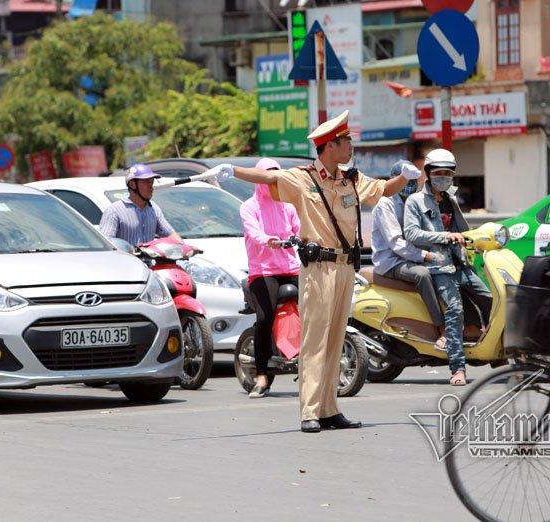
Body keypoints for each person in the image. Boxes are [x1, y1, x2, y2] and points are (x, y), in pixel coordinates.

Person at [207, 110, 422, 433]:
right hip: (318, 267)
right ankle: (309, 410)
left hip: (346, 267)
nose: (351, 146)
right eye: (346, 141)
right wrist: (233, 171)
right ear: (330, 145)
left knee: (336, 338)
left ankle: (329, 409)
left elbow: (384, 190)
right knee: (315, 340)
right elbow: (269, 178)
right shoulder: (303, 178)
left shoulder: (351, 179)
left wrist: (405, 177)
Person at [404, 148, 493, 386]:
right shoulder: (415, 201)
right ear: (428, 174)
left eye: (448, 173)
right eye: (438, 173)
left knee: (490, 298)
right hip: (438, 266)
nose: (443, 177)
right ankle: (458, 368)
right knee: (455, 311)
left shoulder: (451, 199)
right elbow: (411, 233)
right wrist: (445, 236)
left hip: (460, 262)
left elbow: (463, 230)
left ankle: (496, 353)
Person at [239, 158, 301, 399]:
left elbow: (300, 229)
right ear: (259, 179)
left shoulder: (288, 205)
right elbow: (253, 232)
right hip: (263, 270)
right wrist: (268, 240)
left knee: (316, 307)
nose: (273, 181)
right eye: (268, 176)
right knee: (264, 318)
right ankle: (262, 375)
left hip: (291, 266)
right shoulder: (249, 206)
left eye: (277, 176)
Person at [371, 160, 445, 344]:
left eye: (413, 182)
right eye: (406, 181)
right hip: (391, 261)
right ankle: (442, 329)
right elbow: (396, 243)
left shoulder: (415, 201)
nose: (410, 186)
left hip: (411, 256)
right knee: (423, 275)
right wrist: (424, 256)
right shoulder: (385, 204)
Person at [100, 164, 181, 245]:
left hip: (151, 257)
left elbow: (170, 234)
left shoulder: (154, 208)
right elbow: (107, 243)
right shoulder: (114, 211)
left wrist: (185, 247)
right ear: (132, 185)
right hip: (126, 257)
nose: (151, 186)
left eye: (151, 181)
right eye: (146, 181)